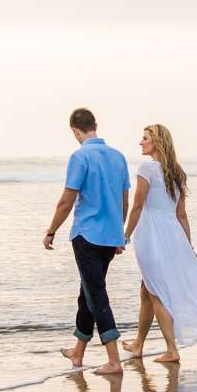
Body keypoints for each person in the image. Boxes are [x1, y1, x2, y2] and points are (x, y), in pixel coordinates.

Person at [42, 106, 131, 375]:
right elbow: (124, 200)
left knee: (96, 295)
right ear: (96, 125)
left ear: (74, 130)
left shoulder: (80, 157)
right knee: (88, 293)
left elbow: (67, 200)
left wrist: (51, 231)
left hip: (87, 235)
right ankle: (77, 353)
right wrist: (120, 233)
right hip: (110, 236)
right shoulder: (118, 157)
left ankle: (114, 361)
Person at [120, 122, 197, 364]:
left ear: (157, 143)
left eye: (145, 139)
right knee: (147, 289)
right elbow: (181, 214)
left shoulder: (147, 168)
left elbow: (138, 205)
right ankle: (139, 344)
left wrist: (125, 236)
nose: (141, 142)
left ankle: (172, 350)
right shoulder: (177, 172)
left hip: (151, 236)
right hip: (173, 235)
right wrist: (187, 246)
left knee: (156, 292)